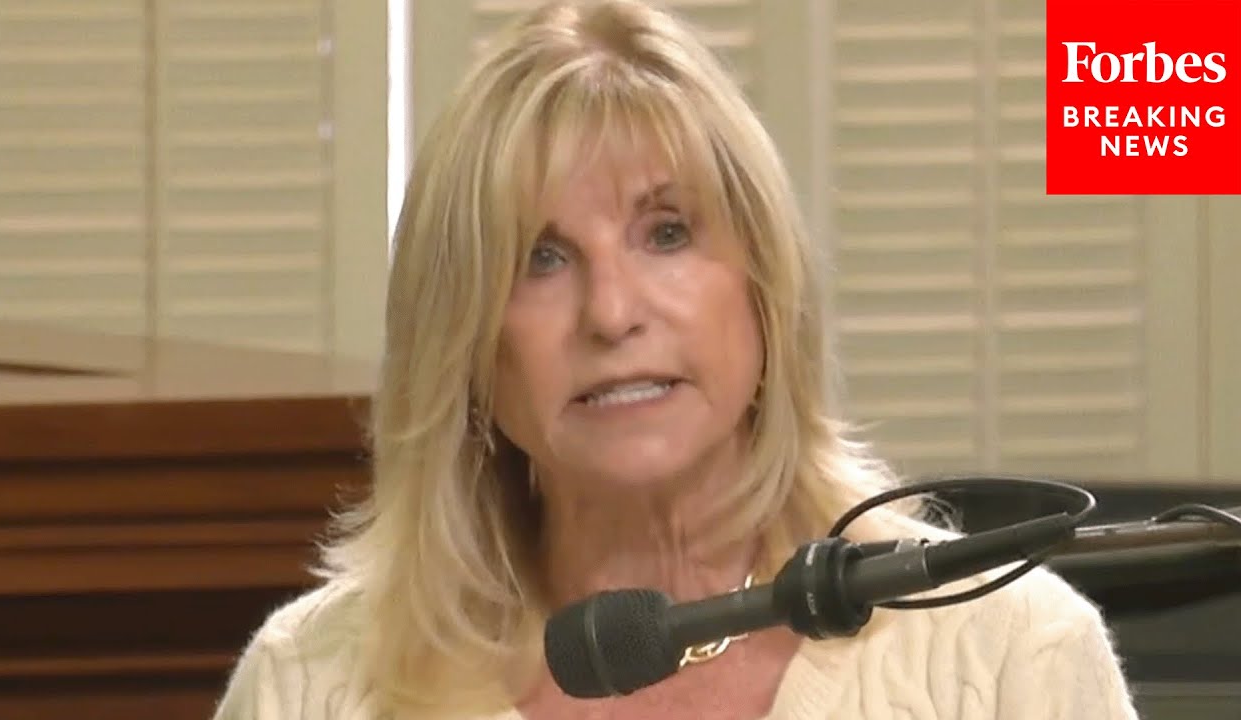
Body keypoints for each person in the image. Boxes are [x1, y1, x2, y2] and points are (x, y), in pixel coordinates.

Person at [211, 1, 1140, 718]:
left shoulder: (1009, 655)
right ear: (466, 345)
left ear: (764, 287)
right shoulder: (318, 683)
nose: (612, 314)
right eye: (540, 258)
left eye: (666, 233)